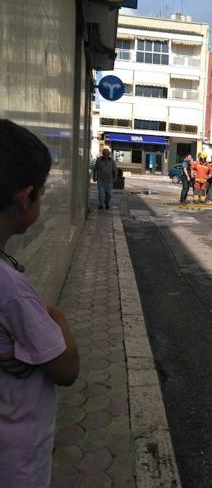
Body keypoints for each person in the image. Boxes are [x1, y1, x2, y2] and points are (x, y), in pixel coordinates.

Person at [0, 119, 79, 488]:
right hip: (16, 460)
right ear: (24, 197)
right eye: (43, 192)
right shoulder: (13, 292)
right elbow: (66, 369)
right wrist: (56, 316)